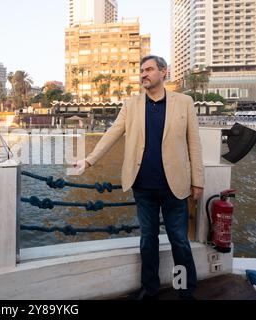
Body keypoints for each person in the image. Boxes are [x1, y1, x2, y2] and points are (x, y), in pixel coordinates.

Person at [74, 55, 204, 300]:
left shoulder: (184, 102)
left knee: (179, 242)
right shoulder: (131, 104)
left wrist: (198, 181)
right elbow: (113, 133)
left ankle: (185, 291)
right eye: (141, 70)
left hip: (175, 187)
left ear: (163, 72)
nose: (143, 74)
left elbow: (194, 144)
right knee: (147, 242)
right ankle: (150, 289)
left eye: (149, 69)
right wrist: (89, 159)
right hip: (143, 187)